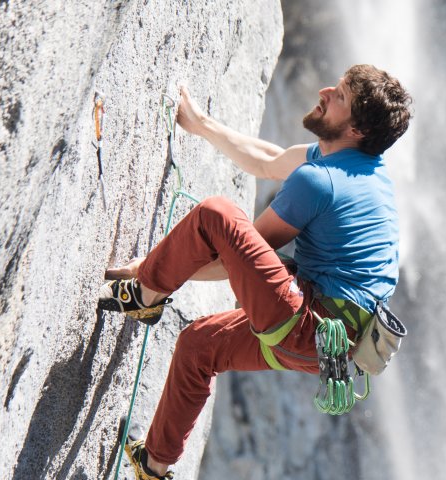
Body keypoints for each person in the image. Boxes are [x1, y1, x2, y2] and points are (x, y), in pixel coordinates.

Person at [98, 64, 412, 480]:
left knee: (216, 214)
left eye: (339, 97)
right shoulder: (364, 171)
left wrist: (155, 269)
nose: (324, 91)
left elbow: (236, 254)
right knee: (198, 347)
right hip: (329, 347)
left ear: (356, 130)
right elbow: (269, 160)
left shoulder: (321, 181)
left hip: (308, 324)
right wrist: (201, 123)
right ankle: (153, 467)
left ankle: (143, 298)